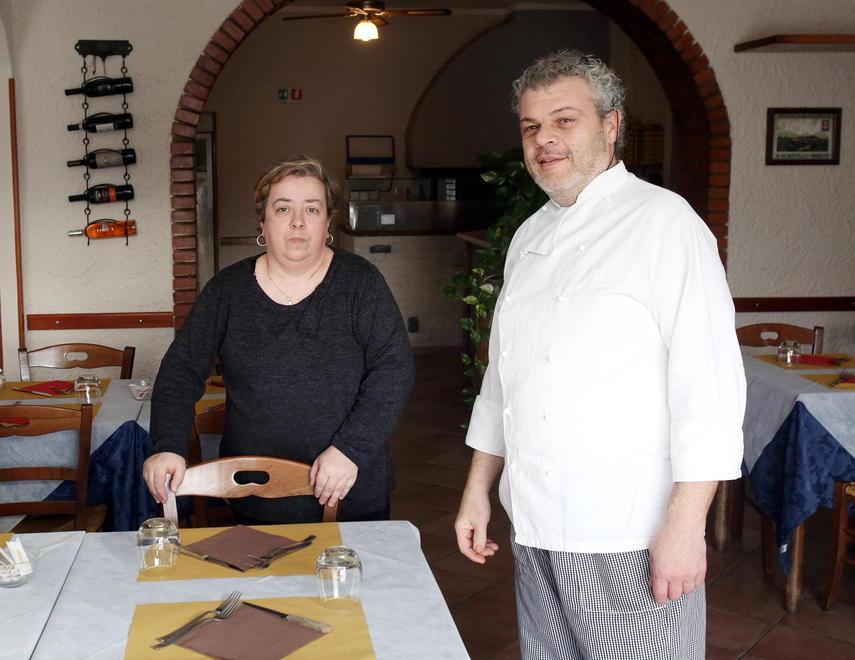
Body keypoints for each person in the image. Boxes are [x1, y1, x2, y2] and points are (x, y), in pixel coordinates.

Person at [455, 51, 745, 659]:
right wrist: (478, 488)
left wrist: (686, 526)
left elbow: (710, 390)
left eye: (565, 120)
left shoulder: (666, 223)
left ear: (611, 125)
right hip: (535, 524)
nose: (544, 140)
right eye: (532, 127)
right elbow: (503, 383)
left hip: (628, 531)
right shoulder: (529, 236)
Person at [143, 156, 414, 523]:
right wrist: (167, 445)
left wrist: (350, 450)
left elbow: (394, 370)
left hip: (351, 492)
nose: (297, 221)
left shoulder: (360, 283)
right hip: (255, 495)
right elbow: (181, 370)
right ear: (263, 221)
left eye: (312, 209)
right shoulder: (227, 291)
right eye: (283, 208)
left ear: (327, 222)